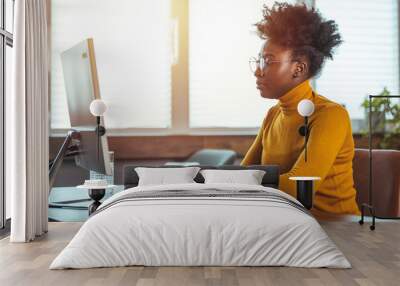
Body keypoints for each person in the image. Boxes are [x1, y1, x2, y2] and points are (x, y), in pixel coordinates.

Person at [241, 2, 359, 215]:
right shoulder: (273, 114)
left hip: (336, 230)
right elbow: (241, 173)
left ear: (299, 69)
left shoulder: (331, 115)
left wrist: (243, 182)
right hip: (288, 223)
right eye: (258, 60)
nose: (257, 71)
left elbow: (298, 188)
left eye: (268, 61)